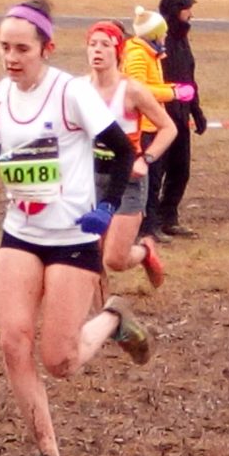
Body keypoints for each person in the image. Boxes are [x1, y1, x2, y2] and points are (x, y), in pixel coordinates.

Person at [0, 0, 152, 456]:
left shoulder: (70, 94)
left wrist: (104, 208)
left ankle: (115, 316)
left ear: (47, 48)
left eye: (22, 48)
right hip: (19, 233)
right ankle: (46, 452)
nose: (11, 58)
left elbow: (122, 151)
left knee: (58, 360)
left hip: (73, 238)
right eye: (4, 48)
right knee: (13, 341)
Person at [85, 20, 177, 289]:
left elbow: (168, 128)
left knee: (114, 259)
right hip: (90, 176)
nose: (97, 51)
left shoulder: (132, 90)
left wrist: (145, 159)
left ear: (119, 51)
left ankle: (145, 252)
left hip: (127, 179)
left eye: (105, 45)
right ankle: (96, 314)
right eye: (92, 45)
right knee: (92, 254)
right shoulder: (79, 89)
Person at [123, 5, 194, 243]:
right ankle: (143, 229)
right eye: (162, 33)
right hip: (143, 128)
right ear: (153, 35)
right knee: (146, 183)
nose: (165, 37)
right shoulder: (137, 55)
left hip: (151, 125)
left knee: (153, 182)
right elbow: (138, 90)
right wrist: (172, 92)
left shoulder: (150, 53)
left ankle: (150, 226)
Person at [157, 0, 207, 239]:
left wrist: (196, 111)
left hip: (181, 114)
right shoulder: (159, 39)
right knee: (157, 169)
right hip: (160, 116)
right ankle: (149, 221)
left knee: (180, 169)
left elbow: (188, 77)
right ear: (177, 9)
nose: (192, 15)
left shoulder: (183, 40)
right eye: (188, 9)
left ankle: (169, 217)